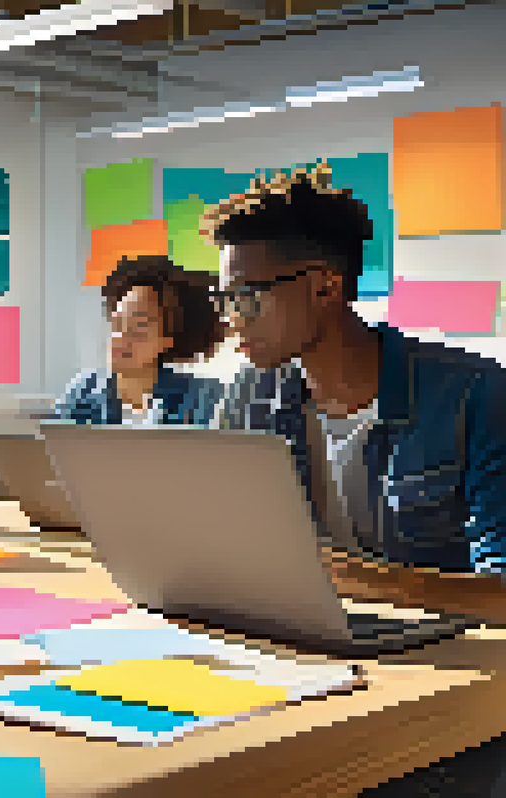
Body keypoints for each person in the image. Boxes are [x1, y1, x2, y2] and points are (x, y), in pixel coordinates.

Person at [206, 163, 506, 798]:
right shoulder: (248, 398)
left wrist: (368, 580)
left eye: (248, 297)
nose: (233, 319)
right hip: (312, 668)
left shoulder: (475, 394)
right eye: (225, 298)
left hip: (449, 690)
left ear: (324, 287)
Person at [55, 255, 225, 425]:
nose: (121, 337)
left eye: (138, 327)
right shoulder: (81, 392)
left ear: (167, 340)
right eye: (117, 323)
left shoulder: (201, 397)